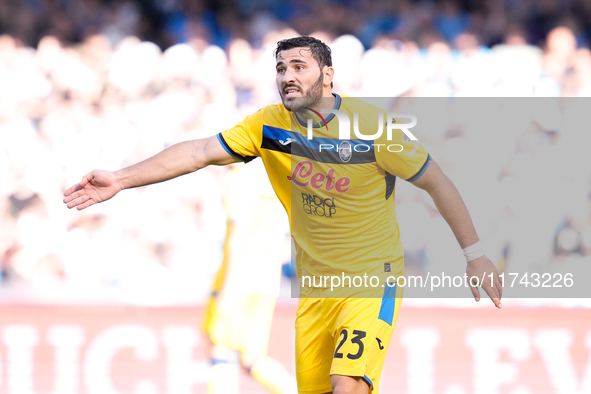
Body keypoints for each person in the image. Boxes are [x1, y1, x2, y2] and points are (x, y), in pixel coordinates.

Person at [64, 36, 502, 394]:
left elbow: (436, 181)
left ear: (328, 76)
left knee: (347, 385)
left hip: (372, 278)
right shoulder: (267, 125)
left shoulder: (374, 129)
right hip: (315, 289)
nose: (287, 77)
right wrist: (121, 179)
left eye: (299, 67)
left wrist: (475, 254)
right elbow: (199, 152)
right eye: (281, 69)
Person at [202, 161, 297, 394]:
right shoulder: (273, 181)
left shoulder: (238, 180)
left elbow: (239, 234)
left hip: (240, 276)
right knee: (252, 358)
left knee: (221, 350)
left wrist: (229, 286)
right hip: (267, 279)